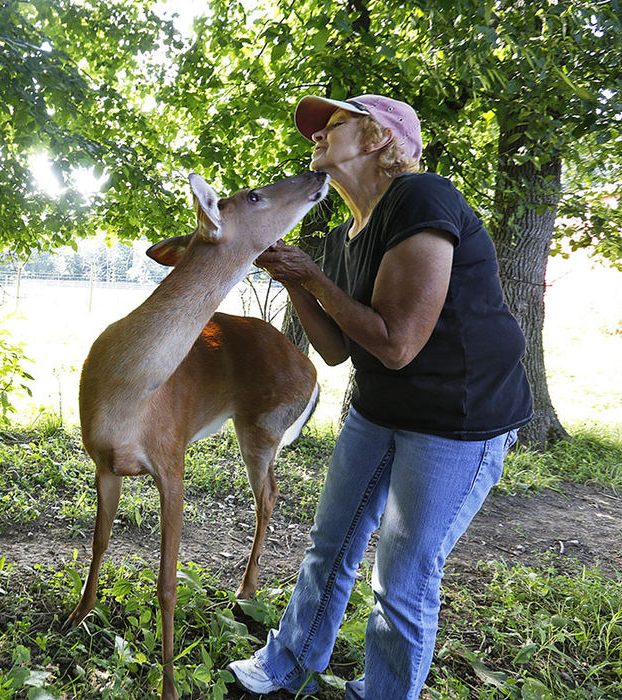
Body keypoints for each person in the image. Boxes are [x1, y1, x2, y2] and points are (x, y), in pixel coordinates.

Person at [225, 94, 533, 699]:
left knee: (403, 573)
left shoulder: (422, 199)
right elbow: (339, 348)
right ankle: (286, 669)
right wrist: (298, 283)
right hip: (379, 409)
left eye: (331, 125)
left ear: (376, 139)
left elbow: (397, 344)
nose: (315, 135)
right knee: (330, 544)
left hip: (457, 418)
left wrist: (311, 276)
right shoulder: (346, 234)